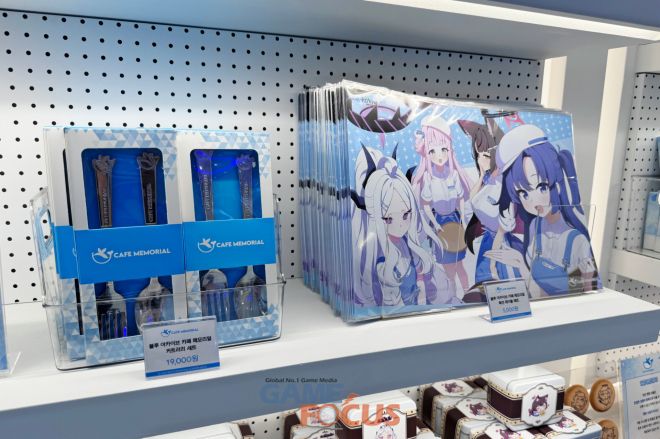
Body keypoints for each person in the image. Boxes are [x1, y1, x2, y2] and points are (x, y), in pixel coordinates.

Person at [484, 125, 599, 297]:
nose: (534, 200)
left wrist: (522, 266)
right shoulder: (534, 227)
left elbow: (582, 297)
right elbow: (537, 293)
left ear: (556, 182)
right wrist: (520, 264)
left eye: (542, 187)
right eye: (523, 193)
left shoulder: (578, 242)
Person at [411, 114, 472, 298]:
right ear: (426, 153)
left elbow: (461, 199)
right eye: (432, 151)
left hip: (455, 221)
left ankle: (468, 294)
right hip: (439, 224)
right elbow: (426, 205)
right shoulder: (428, 178)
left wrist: (464, 219)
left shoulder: (453, 175)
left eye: (443, 149)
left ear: (449, 149)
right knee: (447, 267)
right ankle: (453, 296)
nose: (439, 156)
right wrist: (435, 224)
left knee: (460, 264)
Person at [459, 119, 522, 285]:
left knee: (503, 278)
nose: (481, 159)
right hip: (489, 238)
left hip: (503, 240)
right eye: (478, 155)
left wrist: (493, 264)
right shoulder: (488, 177)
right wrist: (481, 174)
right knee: (484, 281)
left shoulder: (503, 180)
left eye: (485, 155)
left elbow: (502, 223)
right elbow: (473, 201)